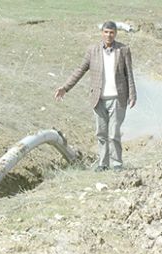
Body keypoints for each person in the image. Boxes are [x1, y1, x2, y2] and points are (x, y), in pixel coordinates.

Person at [54, 21, 137, 172]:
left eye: (111, 32)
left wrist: (132, 94)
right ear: (102, 33)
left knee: (114, 134)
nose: (108, 35)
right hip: (98, 99)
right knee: (101, 133)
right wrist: (65, 88)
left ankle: (117, 163)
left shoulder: (124, 50)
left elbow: (129, 74)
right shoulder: (93, 50)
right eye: (106, 32)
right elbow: (80, 70)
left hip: (118, 99)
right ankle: (103, 164)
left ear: (116, 33)